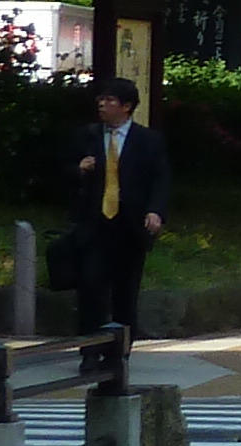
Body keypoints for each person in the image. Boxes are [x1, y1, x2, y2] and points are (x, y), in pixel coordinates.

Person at [69, 77, 168, 344]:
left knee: (125, 292)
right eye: (101, 99)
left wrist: (155, 211)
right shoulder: (86, 136)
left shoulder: (148, 140)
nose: (102, 104)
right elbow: (61, 173)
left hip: (130, 227)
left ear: (126, 107)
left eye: (110, 100)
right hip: (94, 225)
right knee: (90, 288)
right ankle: (88, 351)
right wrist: (79, 170)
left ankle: (121, 352)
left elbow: (160, 179)